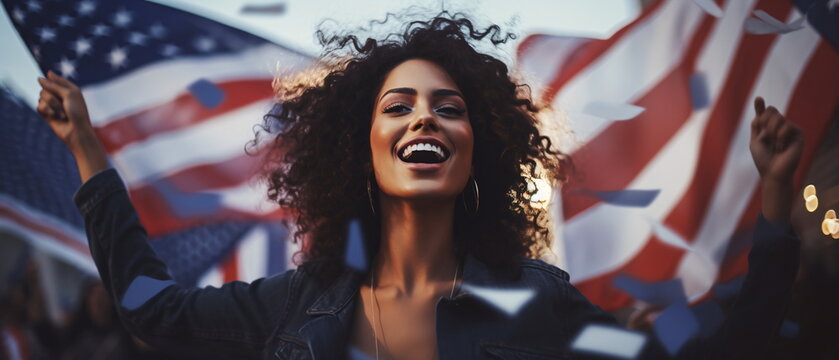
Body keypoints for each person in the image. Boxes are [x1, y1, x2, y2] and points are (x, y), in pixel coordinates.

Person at [35, 12, 802, 360]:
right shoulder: (300, 302)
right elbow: (153, 314)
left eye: (449, 107)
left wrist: (772, 197)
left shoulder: (538, 303)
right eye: (396, 105)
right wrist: (88, 149)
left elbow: (734, 345)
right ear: (358, 148)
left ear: (482, 148)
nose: (422, 118)